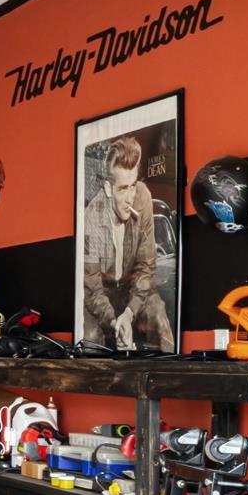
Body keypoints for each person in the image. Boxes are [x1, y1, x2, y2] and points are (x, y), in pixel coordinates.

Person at [81, 135, 174, 352]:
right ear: (107, 188)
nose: (130, 197)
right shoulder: (92, 217)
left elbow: (146, 267)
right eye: (123, 189)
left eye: (133, 186)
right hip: (103, 294)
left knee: (160, 320)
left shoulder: (143, 197)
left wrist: (130, 312)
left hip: (133, 287)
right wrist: (116, 323)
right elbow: (92, 287)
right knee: (90, 339)